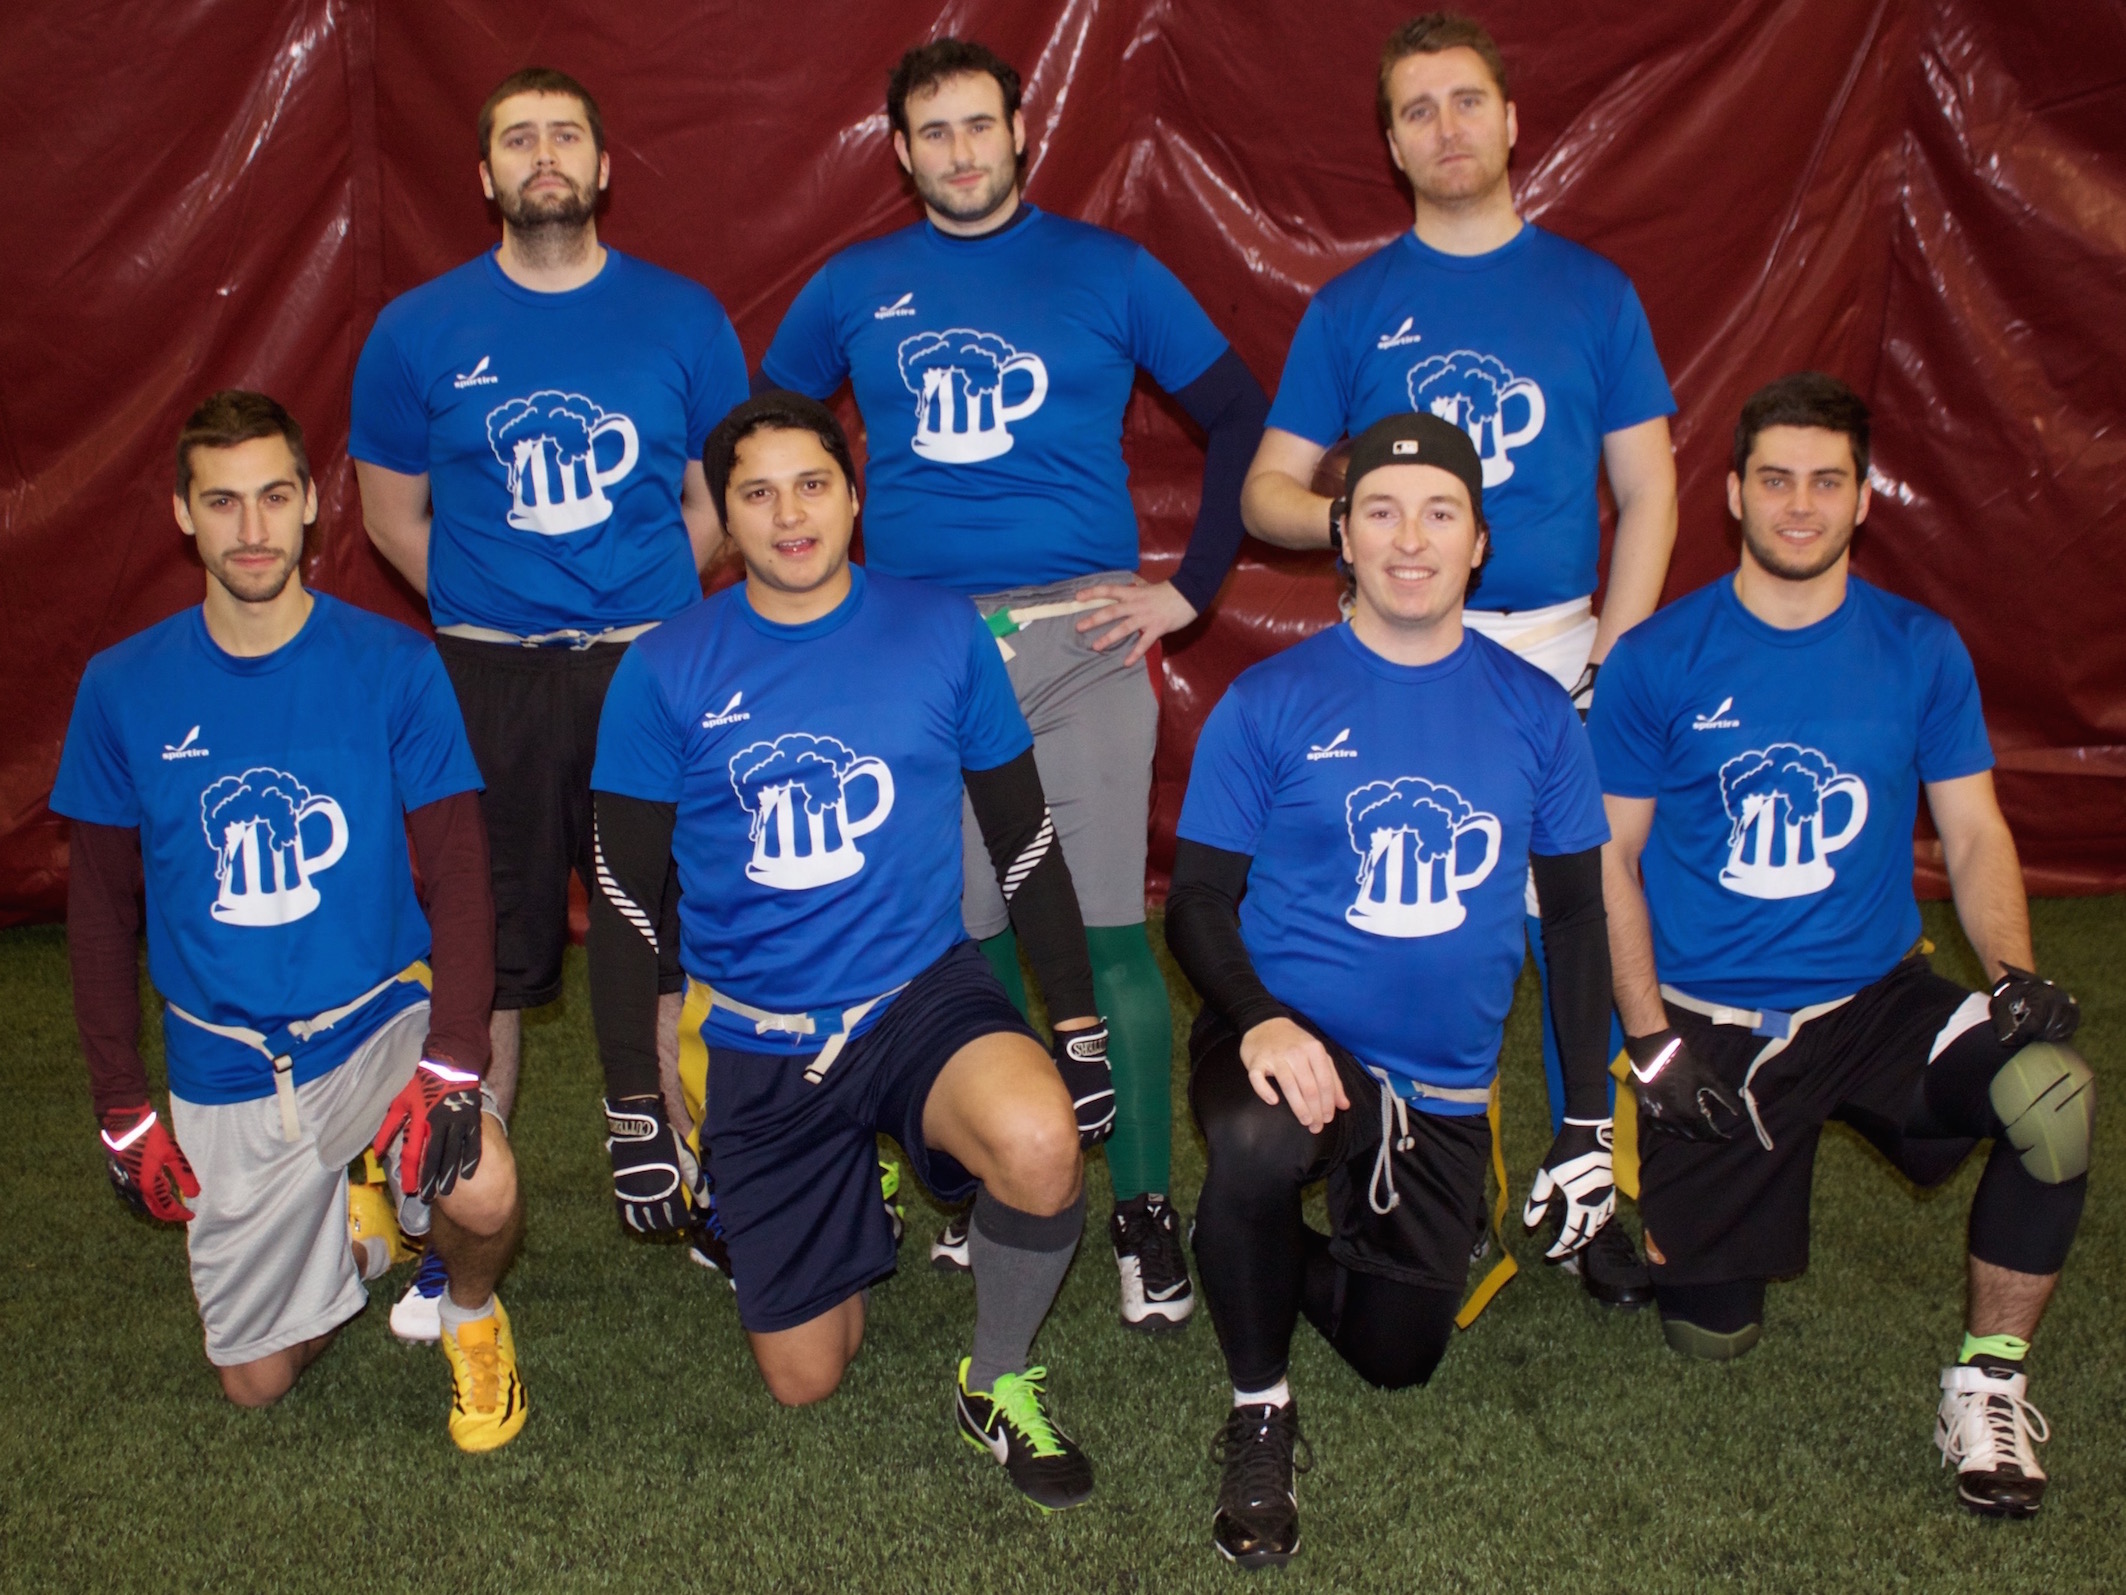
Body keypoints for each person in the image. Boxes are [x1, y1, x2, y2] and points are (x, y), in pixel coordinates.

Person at [759, 37, 1271, 1332]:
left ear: (1021, 130)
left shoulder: (1108, 268)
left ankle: (1142, 1208)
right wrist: (817, 602)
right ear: (899, 150)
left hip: (1078, 638)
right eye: (932, 131)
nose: (959, 151)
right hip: (920, 655)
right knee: (960, 936)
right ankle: (1000, 1164)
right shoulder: (854, 285)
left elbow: (1236, 408)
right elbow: (763, 443)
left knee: (1103, 931)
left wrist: (1190, 589)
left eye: (978, 124)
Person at [586, 392, 1113, 1511]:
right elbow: (624, 900)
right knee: (806, 1377)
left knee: (1038, 1139)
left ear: (855, 497)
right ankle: (840, 1189)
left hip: (916, 997)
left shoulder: (939, 630)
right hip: (760, 1034)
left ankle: (996, 1376)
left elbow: (1023, 841)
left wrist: (1074, 1021)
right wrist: (632, 1101)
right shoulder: (665, 667)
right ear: (722, 519)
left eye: (812, 484)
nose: (790, 515)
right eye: (758, 493)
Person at [1591, 373, 2091, 1519]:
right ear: (1732, 493)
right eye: (1775, 479)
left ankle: (1988, 1383)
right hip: (1712, 1023)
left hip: (1873, 998)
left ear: (1863, 498)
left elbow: (1972, 831)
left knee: (2051, 1094)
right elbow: (1608, 860)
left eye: (1825, 481)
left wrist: (2011, 974)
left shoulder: (1918, 648)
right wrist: (1651, 1040)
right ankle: (1655, 1208)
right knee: (1710, 1334)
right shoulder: (1655, 657)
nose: (1799, 504)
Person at [1239, 12, 1677, 1305]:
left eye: (1465, 100)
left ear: (1509, 120)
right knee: (1422, 904)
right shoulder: (1351, 306)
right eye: (1417, 108)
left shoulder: (1591, 292)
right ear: (1389, 143)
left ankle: (1594, 1180)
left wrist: (1613, 657)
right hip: (1399, 654)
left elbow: (1648, 490)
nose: (1445, 127)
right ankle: (1432, 1170)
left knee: (1581, 912)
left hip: (1557, 645)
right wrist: (1368, 518)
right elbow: (1265, 489)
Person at [1168, 414, 1618, 1567]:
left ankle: (1242, 1239)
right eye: (1380, 511)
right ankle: (1259, 1407)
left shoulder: (1535, 711)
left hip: (1437, 1086)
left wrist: (1586, 1120)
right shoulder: (1270, 697)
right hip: (1290, 1034)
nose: (1408, 539)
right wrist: (1260, 1017)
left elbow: (1575, 917)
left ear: (1477, 542)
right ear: (1342, 536)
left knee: (1396, 1353)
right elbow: (1197, 900)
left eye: (1437, 513)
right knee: (1258, 1141)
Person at [51, 391, 527, 1452]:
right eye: (223, 502)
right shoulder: (123, 686)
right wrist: (121, 1103)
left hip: (375, 1021)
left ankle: (469, 1312)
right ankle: (359, 1239)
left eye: (274, 496)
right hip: (226, 1059)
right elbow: (99, 913)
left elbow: (461, 875)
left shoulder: (393, 663)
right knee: (255, 1382)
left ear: (314, 501)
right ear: (184, 514)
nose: (252, 528)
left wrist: (452, 1061)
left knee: (482, 1180)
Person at [350, 67, 748, 1164]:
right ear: (485, 176)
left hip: (648, 671)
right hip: (487, 680)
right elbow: (390, 517)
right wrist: (498, 600)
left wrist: (639, 595)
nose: (543, 154)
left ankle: (704, 1186)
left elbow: (721, 500)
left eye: (564, 134)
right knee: (486, 955)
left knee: (672, 940)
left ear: (603, 167)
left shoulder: (683, 316)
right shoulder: (415, 329)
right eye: (518, 138)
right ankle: (466, 1199)